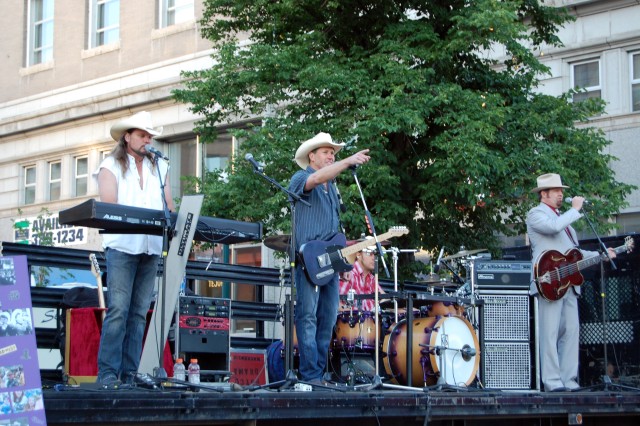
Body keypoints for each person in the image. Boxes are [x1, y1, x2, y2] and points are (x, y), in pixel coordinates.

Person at [94, 111, 174, 388]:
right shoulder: (110, 165)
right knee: (118, 310)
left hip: (150, 247)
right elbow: (109, 207)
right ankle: (107, 373)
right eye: (142, 135)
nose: (147, 140)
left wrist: (176, 224)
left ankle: (130, 373)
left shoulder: (160, 168)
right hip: (122, 246)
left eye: (150, 136)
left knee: (140, 313)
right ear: (127, 137)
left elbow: (168, 205)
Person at [288, 132, 370, 384]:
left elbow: (334, 230)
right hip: (307, 261)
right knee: (308, 315)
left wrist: (342, 262)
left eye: (333, 152)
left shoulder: (332, 187)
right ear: (311, 155)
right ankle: (309, 374)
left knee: (328, 316)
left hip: (329, 262)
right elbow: (315, 178)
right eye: (326, 151)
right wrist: (346, 162)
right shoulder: (301, 177)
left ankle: (320, 372)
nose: (331, 155)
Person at [526, 173, 615, 392]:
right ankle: (552, 381)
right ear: (544, 194)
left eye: (562, 190)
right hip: (548, 282)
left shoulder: (568, 226)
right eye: (557, 191)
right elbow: (553, 227)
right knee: (550, 333)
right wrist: (574, 209)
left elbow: (575, 254)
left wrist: (601, 254)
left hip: (568, 284)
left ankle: (569, 380)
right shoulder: (536, 214)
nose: (561, 194)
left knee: (571, 331)